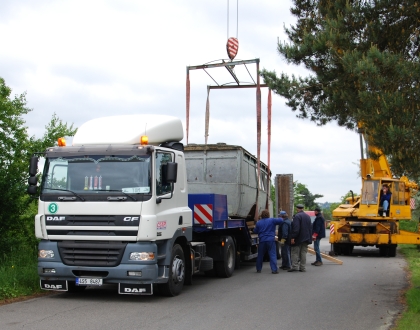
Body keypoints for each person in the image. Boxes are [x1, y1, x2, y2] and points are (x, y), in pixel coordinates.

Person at [254, 209, 283, 274]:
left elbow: (255, 231)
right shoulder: (272, 220)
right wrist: (280, 215)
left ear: (262, 215)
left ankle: (258, 269)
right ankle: (274, 269)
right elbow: (281, 220)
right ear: (268, 215)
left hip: (262, 240)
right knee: (272, 254)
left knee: (260, 255)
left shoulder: (259, 222)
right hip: (270, 240)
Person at [288, 204, 312, 272]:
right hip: (306, 238)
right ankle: (302, 267)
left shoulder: (297, 216)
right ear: (303, 208)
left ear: (297, 209)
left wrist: (293, 237)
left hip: (298, 238)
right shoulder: (307, 216)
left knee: (295, 252)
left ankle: (295, 266)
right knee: (303, 253)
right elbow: (310, 227)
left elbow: (296, 228)